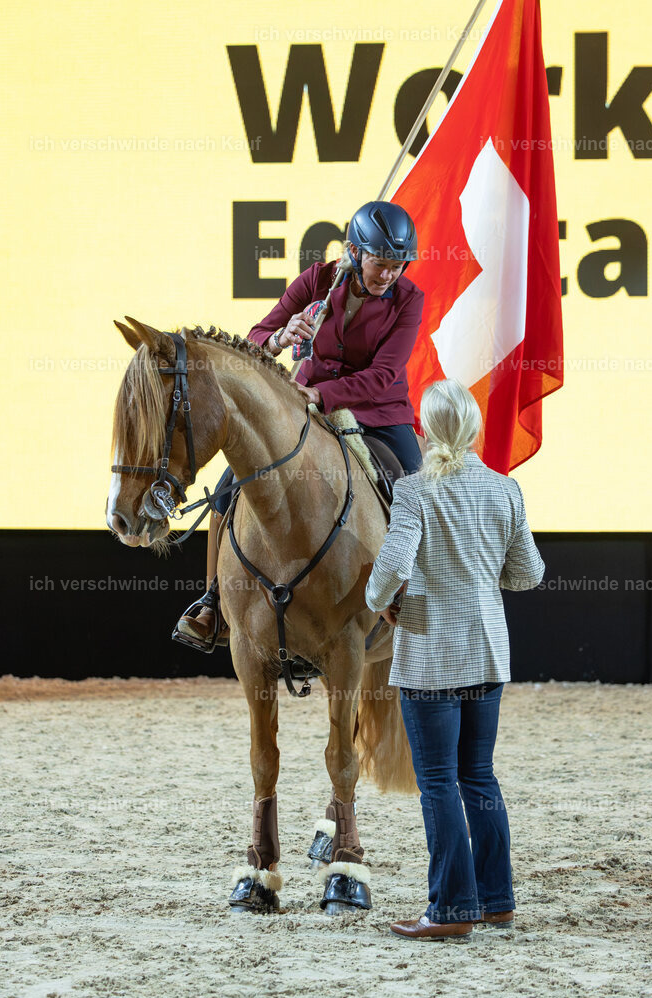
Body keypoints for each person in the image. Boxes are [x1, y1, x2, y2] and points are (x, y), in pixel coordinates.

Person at [174, 200, 425, 651]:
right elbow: (252, 340)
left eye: (397, 266)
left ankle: (411, 594)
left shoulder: (409, 300)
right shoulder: (316, 281)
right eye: (381, 264)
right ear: (354, 250)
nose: (390, 275)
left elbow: (384, 374)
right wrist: (279, 337)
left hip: (377, 411)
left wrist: (321, 394)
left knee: (412, 486)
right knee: (231, 484)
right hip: (300, 406)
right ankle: (213, 601)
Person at [364, 378, 545, 942]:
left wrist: (380, 602)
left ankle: (450, 910)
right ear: (474, 429)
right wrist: (482, 577)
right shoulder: (505, 489)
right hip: (488, 653)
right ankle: (495, 901)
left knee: (438, 781)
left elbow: (393, 563)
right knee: (479, 777)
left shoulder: (415, 490)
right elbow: (529, 573)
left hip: (430, 655)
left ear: (424, 429)